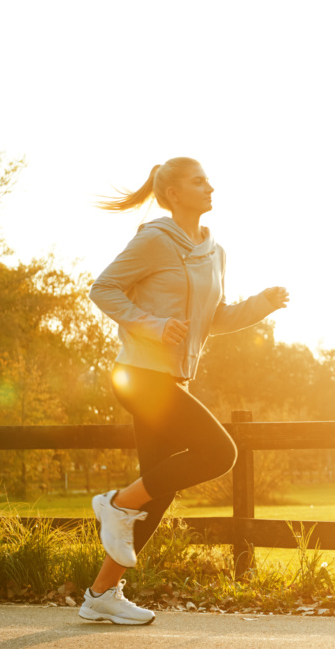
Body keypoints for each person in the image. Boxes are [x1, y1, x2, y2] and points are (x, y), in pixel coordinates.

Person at [78, 157, 289, 625]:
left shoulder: (216, 252)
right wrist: (152, 325)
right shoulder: (155, 239)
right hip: (138, 374)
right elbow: (103, 289)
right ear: (173, 194)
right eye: (198, 181)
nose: (210, 186)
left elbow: (215, 319)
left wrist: (261, 305)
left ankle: (101, 594)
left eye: (208, 179)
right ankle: (116, 503)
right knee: (220, 452)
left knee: (160, 489)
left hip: (169, 379)